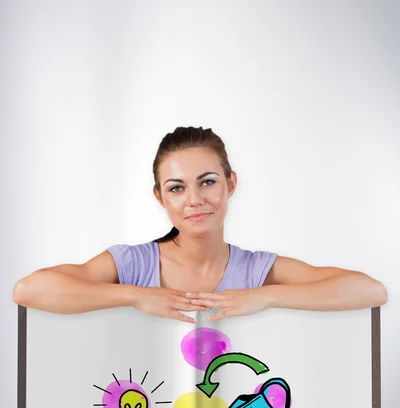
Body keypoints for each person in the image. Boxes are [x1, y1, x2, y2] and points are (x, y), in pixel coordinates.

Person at [13, 127, 388, 324]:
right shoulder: (131, 265)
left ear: (231, 183)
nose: (194, 199)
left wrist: (265, 296)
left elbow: (368, 290)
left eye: (207, 181)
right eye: (177, 188)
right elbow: (30, 289)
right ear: (160, 196)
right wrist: (135, 295)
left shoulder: (258, 271)